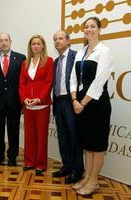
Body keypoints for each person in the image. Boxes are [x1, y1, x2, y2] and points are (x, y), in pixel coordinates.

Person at [70, 17, 113, 195]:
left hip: (96, 104)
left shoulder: (104, 51)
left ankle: (94, 181)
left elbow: (99, 81)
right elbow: (73, 78)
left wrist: (82, 103)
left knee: (97, 145)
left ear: (99, 29)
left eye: (92, 26)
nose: (89, 29)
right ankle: (87, 177)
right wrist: (74, 99)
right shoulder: (81, 52)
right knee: (87, 144)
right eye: (86, 27)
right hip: (80, 103)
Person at [0, 33, 26, 166]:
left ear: (10, 41)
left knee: (13, 131)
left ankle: (12, 157)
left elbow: (23, 81)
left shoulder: (21, 58)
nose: (4, 43)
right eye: (1, 41)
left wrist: (22, 101)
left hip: (14, 102)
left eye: (6, 40)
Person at [52, 31, 84, 183]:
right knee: (63, 136)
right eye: (55, 39)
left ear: (68, 40)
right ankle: (67, 166)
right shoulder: (55, 62)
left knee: (74, 137)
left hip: (71, 101)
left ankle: (77, 170)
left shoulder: (76, 56)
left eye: (60, 38)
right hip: (58, 102)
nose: (57, 41)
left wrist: (77, 100)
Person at [19, 34, 53, 175]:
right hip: (28, 106)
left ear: (43, 46)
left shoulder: (49, 61)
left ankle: (40, 164)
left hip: (42, 106)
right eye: (33, 44)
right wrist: (24, 98)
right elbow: (22, 83)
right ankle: (29, 162)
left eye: (39, 44)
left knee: (41, 136)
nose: (36, 46)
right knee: (29, 135)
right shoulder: (25, 63)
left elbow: (49, 82)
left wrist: (40, 98)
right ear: (30, 46)